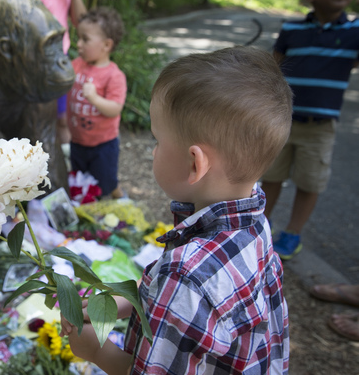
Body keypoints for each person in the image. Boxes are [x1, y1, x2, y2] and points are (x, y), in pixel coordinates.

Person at [60, 47, 292, 374]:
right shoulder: (254, 218)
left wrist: (96, 351)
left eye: (157, 140)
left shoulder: (185, 273)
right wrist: (123, 305)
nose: (152, 151)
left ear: (195, 163)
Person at [261, 0, 359, 260]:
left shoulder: (354, 33)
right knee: (271, 175)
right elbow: (273, 68)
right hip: (283, 120)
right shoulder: (292, 30)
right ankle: (261, 225)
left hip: (321, 128)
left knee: (309, 181)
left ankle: (292, 234)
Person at [25, 0, 87, 152]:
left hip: (63, 59)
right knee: (41, 120)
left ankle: (67, 172)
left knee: (63, 120)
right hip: (43, 64)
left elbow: (82, 22)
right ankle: (37, 170)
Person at [66, 7, 126, 199]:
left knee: (103, 183)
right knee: (81, 181)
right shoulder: (76, 65)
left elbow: (115, 108)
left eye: (85, 39)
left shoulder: (114, 76)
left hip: (103, 145)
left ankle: (119, 198)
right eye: (78, 38)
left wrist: (94, 98)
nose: (79, 44)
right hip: (78, 141)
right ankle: (88, 207)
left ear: (106, 45)